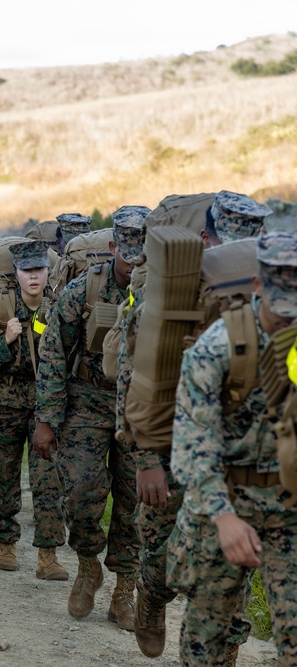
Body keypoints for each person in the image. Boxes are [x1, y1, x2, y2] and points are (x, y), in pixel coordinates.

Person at [119, 191, 271, 658]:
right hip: (171, 449)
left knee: (229, 580)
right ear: (206, 239)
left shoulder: (274, 298)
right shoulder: (165, 301)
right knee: (167, 560)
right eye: (230, 244)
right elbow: (135, 382)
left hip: (242, 461)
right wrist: (146, 460)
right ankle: (152, 593)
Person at [167, 229, 297, 666]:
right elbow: (193, 446)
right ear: (259, 287)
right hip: (224, 502)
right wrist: (224, 519)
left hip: (289, 507)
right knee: (207, 640)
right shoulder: (217, 348)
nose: (289, 321)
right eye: (281, 311)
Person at [33, 205, 149, 630]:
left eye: (143, 253)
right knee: (81, 493)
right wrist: (47, 419)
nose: (134, 262)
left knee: (134, 502)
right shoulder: (83, 290)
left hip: (139, 408)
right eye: (127, 252)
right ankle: (87, 564)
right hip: (87, 401)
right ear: (113, 246)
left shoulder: (160, 296)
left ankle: (124, 589)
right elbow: (52, 355)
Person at [0, 240, 67, 578]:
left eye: (39, 269)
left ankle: (47, 555)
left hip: (43, 407)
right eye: (27, 270)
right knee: (5, 476)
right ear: (15, 273)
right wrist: (3, 342)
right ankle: (6, 542)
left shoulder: (57, 309)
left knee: (48, 480)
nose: (33, 277)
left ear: (48, 273)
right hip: (2, 404)